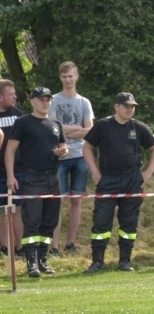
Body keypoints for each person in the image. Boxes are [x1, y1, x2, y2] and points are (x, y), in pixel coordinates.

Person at [82, 92, 154, 273]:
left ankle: (125, 261)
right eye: (126, 106)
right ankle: (97, 262)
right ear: (116, 106)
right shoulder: (103, 125)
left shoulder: (139, 127)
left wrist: (148, 173)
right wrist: (94, 172)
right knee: (101, 222)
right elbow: (87, 147)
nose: (130, 109)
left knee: (129, 223)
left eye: (132, 106)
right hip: (108, 179)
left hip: (132, 180)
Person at [5, 87, 67, 277]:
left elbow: (63, 146)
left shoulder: (56, 122)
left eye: (48, 99)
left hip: (53, 177)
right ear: (32, 101)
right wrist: (10, 176)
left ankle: (42, 261)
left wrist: (63, 151)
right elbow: (10, 150)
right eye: (41, 99)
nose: (45, 102)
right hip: (32, 176)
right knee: (32, 220)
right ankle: (31, 263)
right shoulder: (23, 122)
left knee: (49, 221)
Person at [50, 61, 95, 256]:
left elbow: (90, 131)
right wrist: (77, 130)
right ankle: (54, 246)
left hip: (80, 156)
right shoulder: (52, 100)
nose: (68, 80)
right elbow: (52, 128)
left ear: (77, 77)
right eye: (64, 76)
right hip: (59, 157)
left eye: (71, 76)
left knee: (76, 201)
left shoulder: (84, 102)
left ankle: (71, 243)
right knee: (57, 201)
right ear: (60, 78)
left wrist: (65, 129)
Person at [0, 79, 24, 256]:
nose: (15, 96)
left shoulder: (19, 115)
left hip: (18, 171)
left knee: (18, 209)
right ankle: (4, 248)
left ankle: (21, 248)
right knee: (1, 211)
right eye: (11, 94)